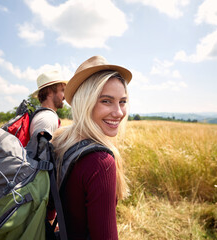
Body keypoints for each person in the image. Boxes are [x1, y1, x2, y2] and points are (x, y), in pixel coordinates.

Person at [52, 55, 132, 240]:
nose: (119, 112)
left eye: (122, 101)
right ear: (85, 103)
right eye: (106, 101)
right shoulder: (100, 162)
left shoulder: (62, 140)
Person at [30, 70, 67, 138]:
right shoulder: (47, 119)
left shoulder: (43, 115)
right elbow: (41, 148)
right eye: (62, 90)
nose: (65, 96)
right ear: (49, 92)